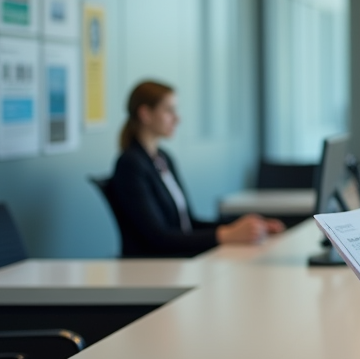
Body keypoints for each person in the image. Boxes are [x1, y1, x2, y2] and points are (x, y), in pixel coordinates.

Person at [110, 81, 285, 257]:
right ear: (145, 114)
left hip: (177, 261)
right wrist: (227, 235)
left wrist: (245, 228)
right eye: (169, 111)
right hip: (156, 266)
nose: (177, 118)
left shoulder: (163, 158)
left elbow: (188, 224)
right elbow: (158, 238)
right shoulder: (130, 164)